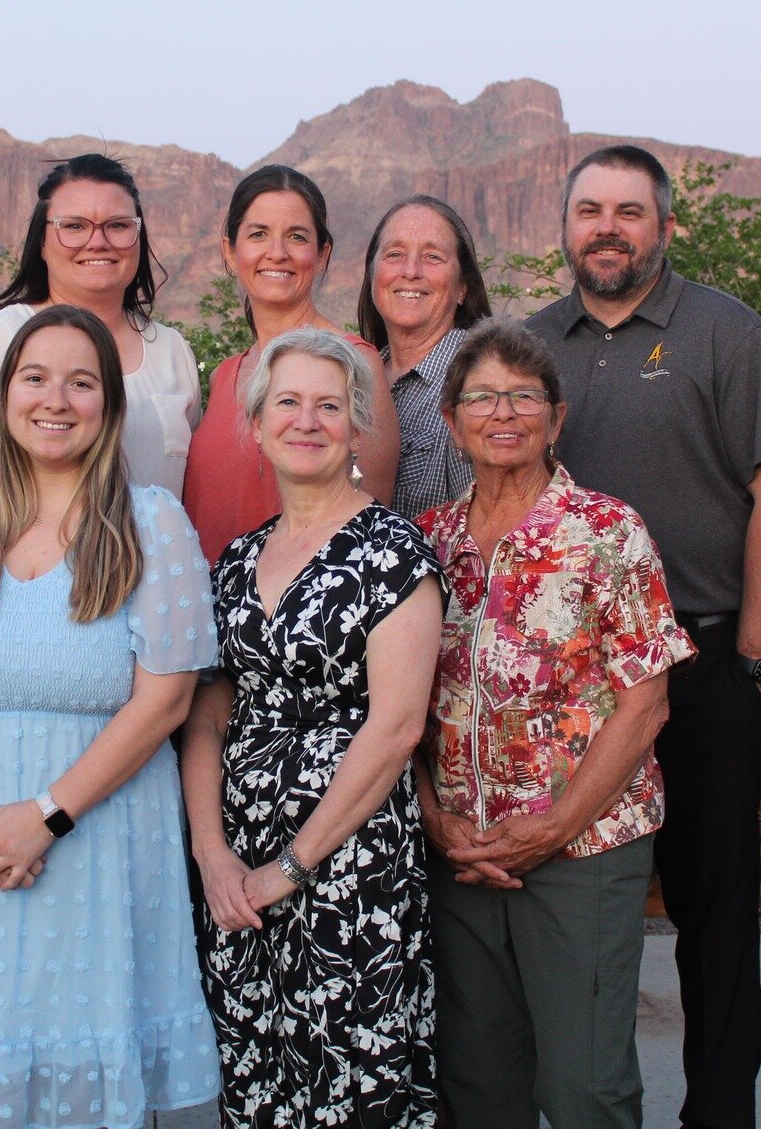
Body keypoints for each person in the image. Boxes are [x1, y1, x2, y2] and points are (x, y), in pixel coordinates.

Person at [0, 304, 219, 1128]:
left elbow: (165, 696)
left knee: (80, 1087)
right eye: (34, 378)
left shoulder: (151, 523)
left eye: (80, 381)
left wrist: (46, 816)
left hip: (100, 839)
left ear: (108, 405)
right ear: (5, 393)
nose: (54, 399)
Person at [523, 145, 761, 1129]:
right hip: (563, 688)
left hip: (699, 660)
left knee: (713, 911)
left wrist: (751, 664)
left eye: (628, 211)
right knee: (570, 906)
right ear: (563, 227)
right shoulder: (528, 348)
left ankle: (719, 1113)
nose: (607, 227)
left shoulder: (724, 333)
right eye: (588, 210)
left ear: (664, 228)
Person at [414, 318, 695, 1129]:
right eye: (482, 397)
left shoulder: (608, 531)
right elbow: (402, 702)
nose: (504, 413)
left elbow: (648, 700)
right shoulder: (431, 541)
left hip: (585, 848)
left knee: (584, 1086)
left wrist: (559, 824)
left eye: (524, 396)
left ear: (557, 416)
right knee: (478, 1082)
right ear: (451, 419)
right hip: (462, 850)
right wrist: (436, 820)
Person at [184, 327, 444, 1128]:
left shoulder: (395, 553)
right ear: (256, 425)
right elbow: (207, 715)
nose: (307, 420)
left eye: (328, 405)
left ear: (356, 425)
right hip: (238, 877)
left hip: (350, 867)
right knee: (257, 1079)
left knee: (353, 1082)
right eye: (288, 403)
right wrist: (212, 853)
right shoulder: (235, 559)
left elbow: (396, 728)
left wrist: (293, 866)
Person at [0, 153, 200, 496]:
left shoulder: (171, 350)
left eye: (118, 225)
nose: (98, 242)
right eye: (74, 226)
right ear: (42, 243)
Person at [182, 165, 398, 562]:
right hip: (207, 609)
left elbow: (370, 518)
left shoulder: (352, 363)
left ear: (322, 254)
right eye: (258, 234)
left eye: (296, 237)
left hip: (296, 611)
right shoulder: (224, 373)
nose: (276, 252)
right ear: (230, 251)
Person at [355, 195, 493, 520]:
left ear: (462, 287)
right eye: (394, 254)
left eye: (432, 256)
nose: (411, 271)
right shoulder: (354, 376)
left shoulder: (479, 378)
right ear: (373, 275)